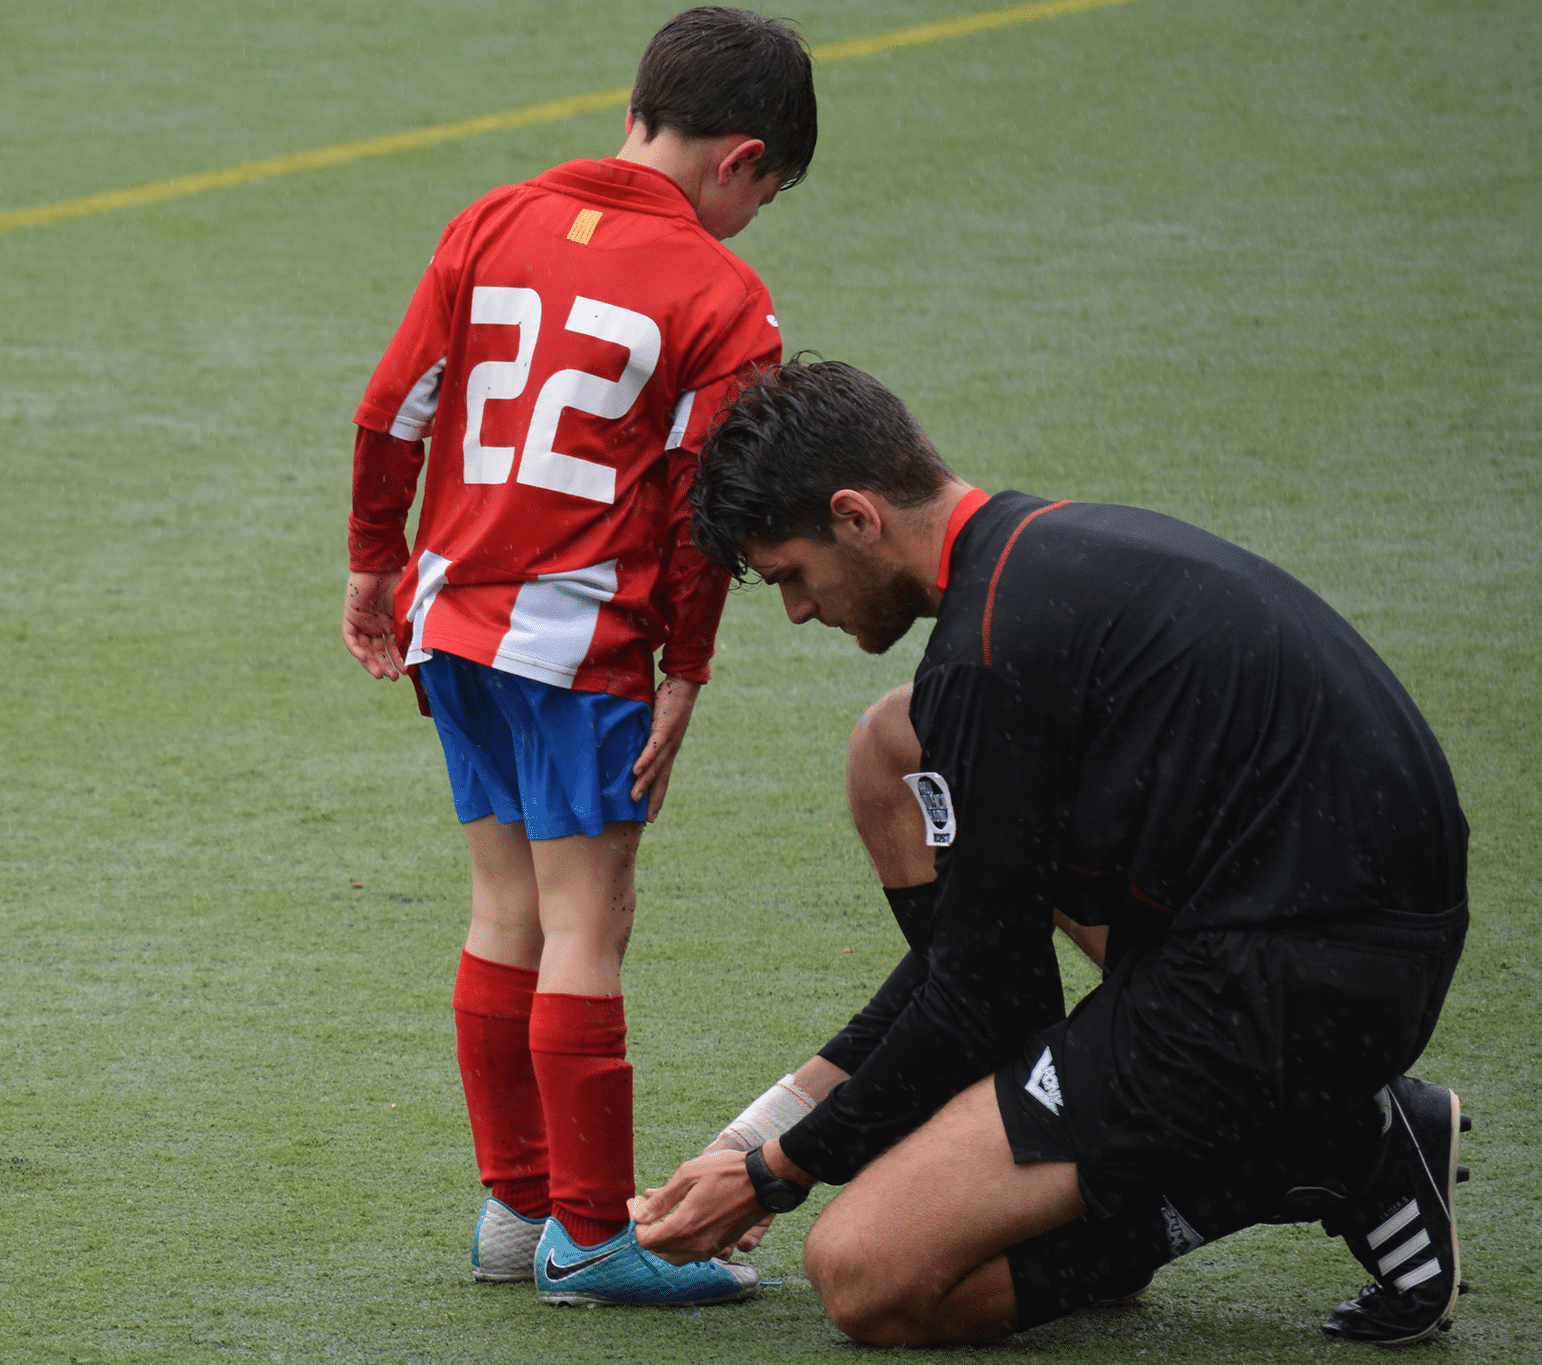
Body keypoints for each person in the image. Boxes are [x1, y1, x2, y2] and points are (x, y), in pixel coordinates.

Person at [632, 358, 1472, 1346]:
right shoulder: (1039, 556)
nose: (798, 611)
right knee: (892, 747)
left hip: (1280, 988)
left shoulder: (987, 660)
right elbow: (968, 968)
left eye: (790, 577)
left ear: (856, 518)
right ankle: (1245, 1117)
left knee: (866, 1276)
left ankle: (1302, 1150)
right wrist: (749, 1140)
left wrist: (777, 1173)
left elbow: (990, 1001)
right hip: (1345, 939)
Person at [339, 7, 817, 1309]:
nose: (750, 223)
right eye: (762, 197)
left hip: (453, 618)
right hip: (579, 641)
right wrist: (686, 673)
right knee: (588, 920)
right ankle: (592, 1235)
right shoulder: (722, 297)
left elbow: (397, 404)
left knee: (506, 910)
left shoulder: (491, 217)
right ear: (745, 159)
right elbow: (699, 508)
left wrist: (374, 561)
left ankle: (515, 1209)